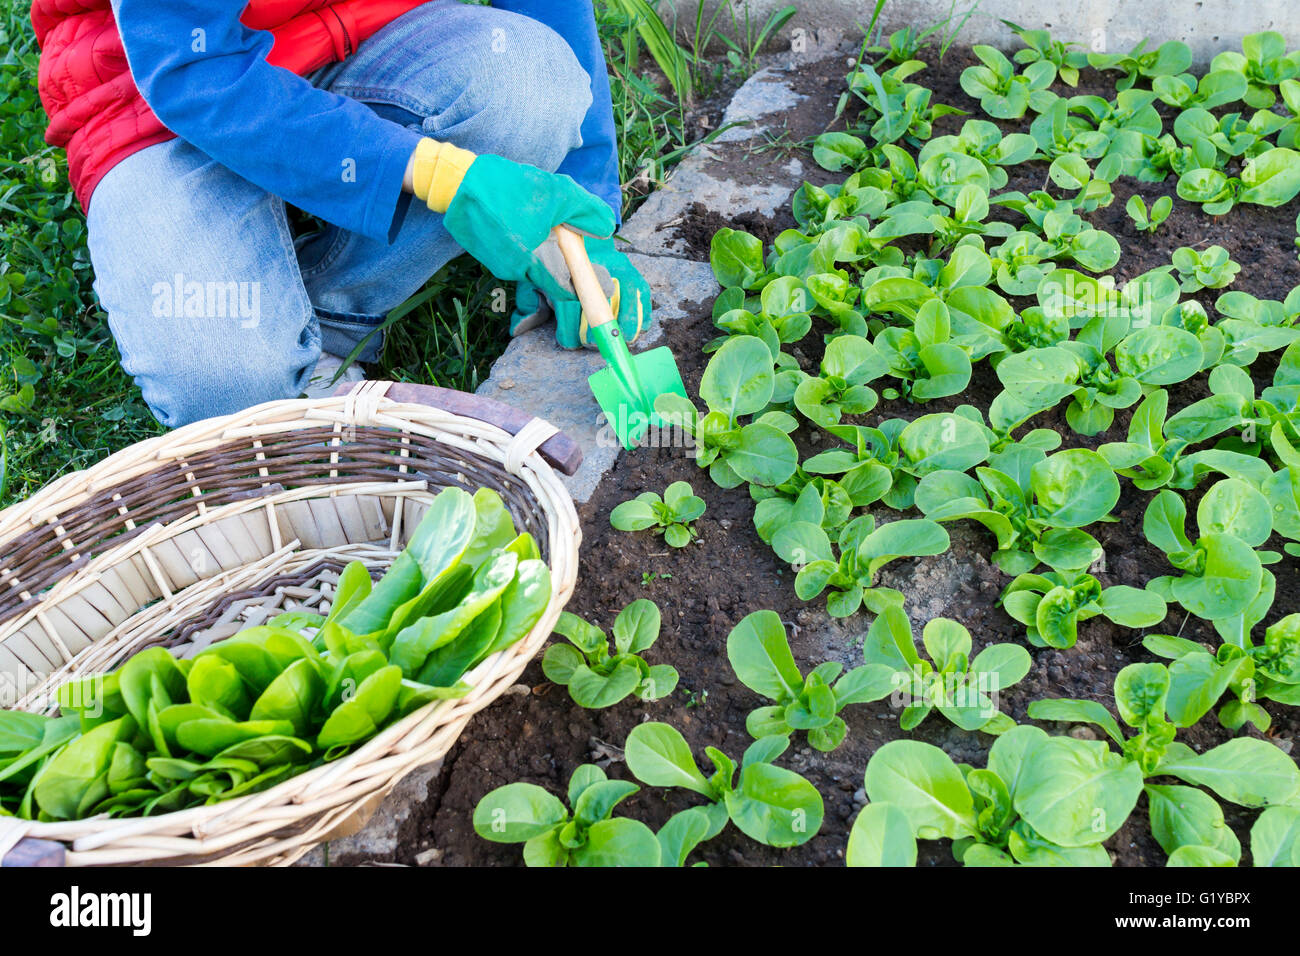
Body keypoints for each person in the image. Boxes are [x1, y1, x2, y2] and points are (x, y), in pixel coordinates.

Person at [31, 0, 651, 427]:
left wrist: (574, 201)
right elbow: (194, 71)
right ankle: (276, 340)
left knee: (532, 88)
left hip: (368, 34)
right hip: (161, 96)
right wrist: (439, 172)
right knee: (226, 387)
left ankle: (334, 315)